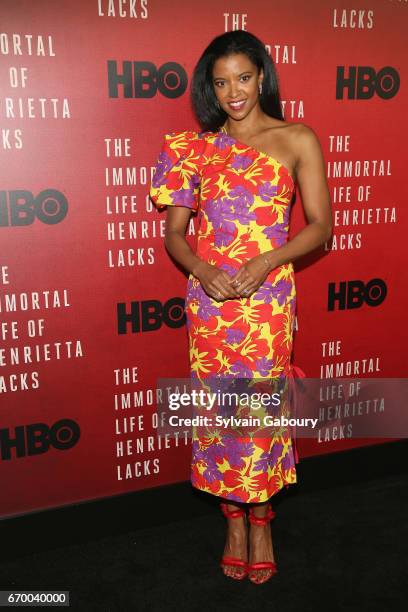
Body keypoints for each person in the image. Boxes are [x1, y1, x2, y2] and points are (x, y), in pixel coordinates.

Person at [149, 30, 332, 584]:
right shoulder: (190, 149)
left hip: (269, 298)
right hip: (211, 302)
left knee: (259, 412)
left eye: (244, 78)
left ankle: (262, 521)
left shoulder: (297, 137)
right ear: (210, 86)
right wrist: (204, 272)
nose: (233, 92)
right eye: (221, 82)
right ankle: (233, 520)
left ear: (262, 77)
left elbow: (321, 228)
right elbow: (176, 236)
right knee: (219, 413)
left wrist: (267, 262)